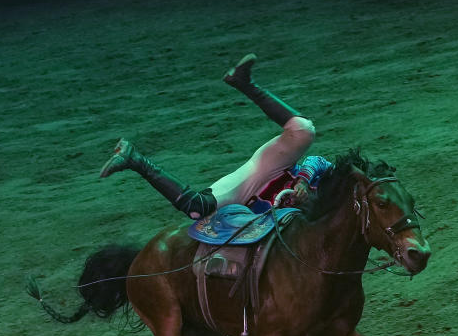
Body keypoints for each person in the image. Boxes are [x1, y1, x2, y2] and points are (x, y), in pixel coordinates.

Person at [99, 54, 332, 219]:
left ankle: (135, 159)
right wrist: (302, 180)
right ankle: (244, 83)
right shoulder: (343, 188)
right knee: (303, 130)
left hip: (247, 207)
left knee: (197, 209)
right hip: (270, 171)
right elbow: (318, 161)